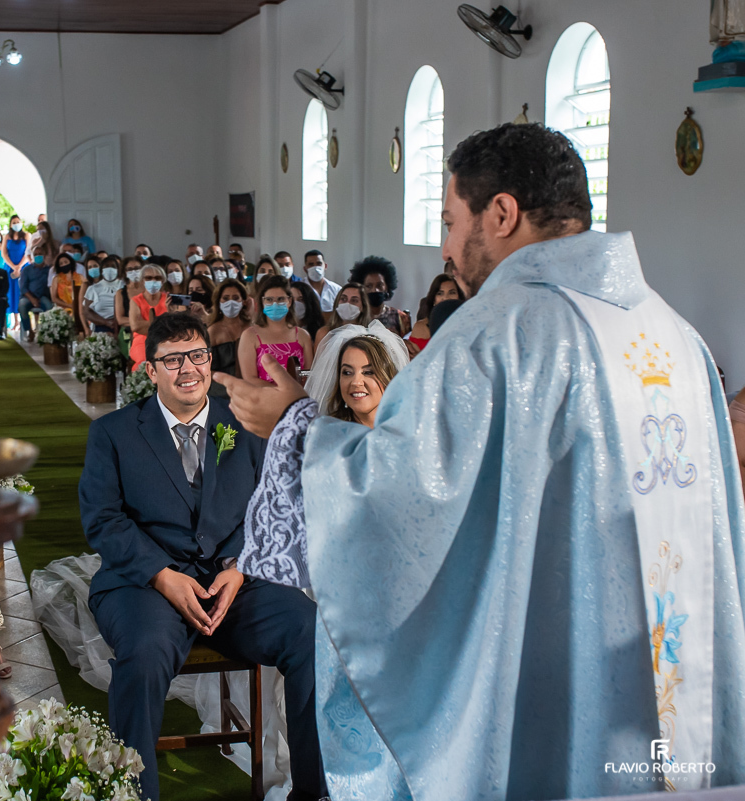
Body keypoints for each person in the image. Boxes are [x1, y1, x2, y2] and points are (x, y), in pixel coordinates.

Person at [222, 122, 745, 798]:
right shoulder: (678, 335)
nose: (444, 247)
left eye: (449, 220)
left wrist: (298, 422)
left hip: (558, 678)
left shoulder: (499, 334)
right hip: (686, 682)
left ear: (501, 213)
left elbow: (399, 493)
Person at [78, 312, 326, 801]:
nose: (187, 368)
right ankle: (132, 793)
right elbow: (103, 521)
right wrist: (161, 576)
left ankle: (314, 790)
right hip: (145, 585)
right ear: (150, 371)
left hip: (235, 585)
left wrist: (238, 566)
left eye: (197, 355)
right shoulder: (114, 432)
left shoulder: (245, 422)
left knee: (312, 631)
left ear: (210, 362)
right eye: (172, 360)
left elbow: (270, 502)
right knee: (144, 654)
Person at [303, 323, 409, 423]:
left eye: (368, 372)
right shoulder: (327, 433)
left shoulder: (409, 431)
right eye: (347, 372)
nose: (356, 382)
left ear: (389, 377)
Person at [238, 275, 311, 386]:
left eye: (281, 299)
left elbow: (309, 375)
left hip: (298, 398)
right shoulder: (250, 335)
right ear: (262, 302)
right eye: (269, 299)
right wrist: (283, 391)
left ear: (289, 301)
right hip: (264, 399)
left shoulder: (302, 335)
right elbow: (250, 379)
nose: (275, 304)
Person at [207, 278, 250, 397]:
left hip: (250, 390)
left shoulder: (251, 328)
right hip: (221, 392)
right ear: (218, 301)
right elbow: (204, 369)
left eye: (235, 298)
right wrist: (230, 382)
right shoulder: (213, 331)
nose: (230, 302)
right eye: (225, 298)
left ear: (244, 301)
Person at [349, 255, 411, 336]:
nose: (375, 290)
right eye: (369, 286)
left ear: (387, 287)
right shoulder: (354, 316)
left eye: (380, 285)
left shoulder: (400, 318)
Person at [127, 263, 170, 370]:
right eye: (149, 278)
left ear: (163, 281)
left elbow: (174, 325)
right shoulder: (136, 300)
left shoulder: (168, 299)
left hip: (166, 339)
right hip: (142, 340)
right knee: (143, 362)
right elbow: (135, 326)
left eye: (157, 278)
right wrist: (162, 324)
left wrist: (147, 324)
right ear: (142, 281)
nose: (153, 281)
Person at [407, 273, 465, 353]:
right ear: (433, 299)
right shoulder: (421, 327)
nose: (446, 298)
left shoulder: (468, 323)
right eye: (440, 293)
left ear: (459, 297)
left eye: (452, 292)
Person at [313, 282, 371, 353]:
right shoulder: (324, 333)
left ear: (363, 307)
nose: (348, 303)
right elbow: (318, 363)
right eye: (343, 299)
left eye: (354, 300)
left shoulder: (370, 335)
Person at [2, 215, 32, 333]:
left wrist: (19, 266)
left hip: (23, 267)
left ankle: (24, 322)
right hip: (10, 268)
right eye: (14, 222)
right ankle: (15, 321)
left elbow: (28, 252)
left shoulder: (26, 235)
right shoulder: (7, 237)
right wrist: (13, 267)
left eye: (18, 222)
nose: (16, 224)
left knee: (22, 293)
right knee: (12, 294)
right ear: (10, 224)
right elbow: (4, 253)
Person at [18, 247, 53, 341]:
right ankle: (29, 331)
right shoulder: (26, 270)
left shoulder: (50, 270)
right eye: (36, 254)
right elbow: (23, 287)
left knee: (50, 307)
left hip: (43, 297)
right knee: (22, 306)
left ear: (44, 255)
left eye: (40, 253)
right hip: (28, 297)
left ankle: (47, 332)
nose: (38, 256)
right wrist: (32, 299)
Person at [82, 257, 123, 335]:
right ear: (101, 270)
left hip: (123, 326)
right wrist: (106, 322)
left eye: (113, 266)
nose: (110, 269)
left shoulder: (124, 286)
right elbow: (86, 311)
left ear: (118, 269)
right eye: (106, 266)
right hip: (101, 327)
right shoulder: (93, 288)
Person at [289, 281, 326, 349]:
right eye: (292, 300)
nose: (296, 304)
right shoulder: (281, 329)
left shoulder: (319, 332)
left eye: (300, 299)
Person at [50, 253, 85, 323]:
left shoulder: (80, 277)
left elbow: (86, 293)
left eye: (66, 262)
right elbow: (54, 298)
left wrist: (78, 306)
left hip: (80, 308)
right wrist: (70, 305)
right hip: (63, 309)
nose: (64, 265)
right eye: (61, 263)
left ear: (71, 263)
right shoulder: (56, 279)